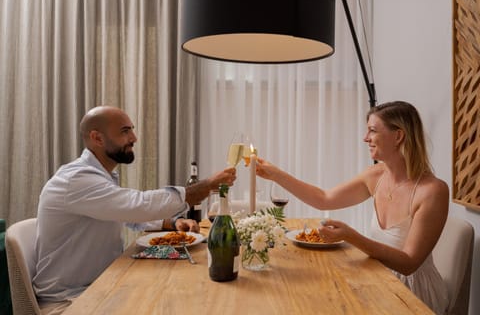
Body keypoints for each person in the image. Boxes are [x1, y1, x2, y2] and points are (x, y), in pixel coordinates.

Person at [33, 106, 236, 314]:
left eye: (132, 129)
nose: (134, 137)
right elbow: (138, 205)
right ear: (97, 138)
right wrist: (207, 185)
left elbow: (125, 215)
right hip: (70, 300)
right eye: (124, 131)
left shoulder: (98, 176)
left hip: (101, 284)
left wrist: (171, 223)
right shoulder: (76, 179)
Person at [256, 101, 449, 314]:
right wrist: (275, 174)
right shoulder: (375, 176)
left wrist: (351, 236)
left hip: (413, 294)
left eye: (373, 131)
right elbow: (324, 198)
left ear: (398, 136)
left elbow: (409, 263)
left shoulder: (432, 191)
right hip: (377, 277)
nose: (365, 138)